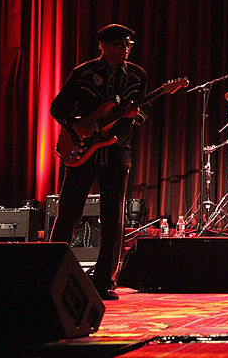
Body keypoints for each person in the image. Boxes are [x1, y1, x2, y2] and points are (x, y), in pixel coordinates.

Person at [49, 24, 150, 301]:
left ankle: (105, 280)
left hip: (118, 151)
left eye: (127, 45)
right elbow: (56, 107)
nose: (123, 50)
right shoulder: (83, 73)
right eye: (118, 45)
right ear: (102, 46)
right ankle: (51, 271)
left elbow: (146, 113)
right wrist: (74, 126)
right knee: (69, 209)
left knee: (113, 216)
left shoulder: (138, 75)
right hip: (81, 149)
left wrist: (136, 115)